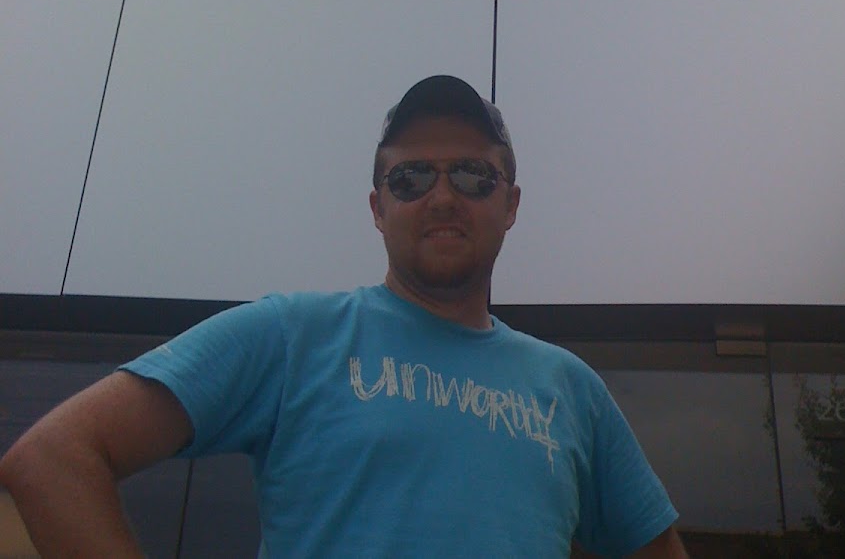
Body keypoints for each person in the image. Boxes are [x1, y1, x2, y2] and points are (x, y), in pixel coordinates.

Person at [0, 75, 688, 557]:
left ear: (510, 203)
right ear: (377, 207)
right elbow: (53, 458)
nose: (442, 196)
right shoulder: (291, 336)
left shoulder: (572, 389)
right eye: (410, 177)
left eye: (473, 175)